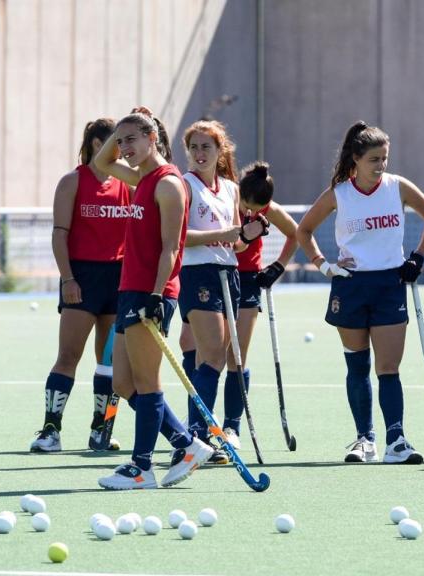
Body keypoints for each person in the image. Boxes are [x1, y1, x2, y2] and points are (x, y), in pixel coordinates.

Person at [296, 121, 424, 464]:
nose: (381, 166)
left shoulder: (398, 187)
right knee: (358, 366)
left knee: (388, 367)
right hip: (351, 285)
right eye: (374, 159)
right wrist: (322, 264)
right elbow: (304, 230)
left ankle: (397, 440)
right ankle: (364, 439)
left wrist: (417, 258)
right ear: (356, 159)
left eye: (385, 158)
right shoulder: (339, 194)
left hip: (390, 284)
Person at [92, 107, 214, 490]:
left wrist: (158, 294)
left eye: (132, 139)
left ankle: (141, 466)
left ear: (153, 139)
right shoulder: (140, 177)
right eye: (121, 139)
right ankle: (184, 443)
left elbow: (170, 249)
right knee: (124, 384)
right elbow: (101, 161)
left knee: (148, 382)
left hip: (152, 292)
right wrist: (123, 129)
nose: (124, 147)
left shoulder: (167, 184)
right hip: (129, 289)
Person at [31, 118, 130, 453]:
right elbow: (60, 234)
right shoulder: (73, 181)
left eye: (120, 144)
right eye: (110, 143)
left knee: (109, 362)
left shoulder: (127, 184)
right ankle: (50, 430)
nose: (116, 150)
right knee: (68, 355)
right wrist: (68, 278)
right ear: (92, 145)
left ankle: (102, 429)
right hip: (82, 278)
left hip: (118, 279)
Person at [174, 120, 268, 466]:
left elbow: (236, 244)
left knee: (215, 356)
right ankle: (196, 436)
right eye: (194, 147)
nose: (199, 154)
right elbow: (180, 236)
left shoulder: (230, 188)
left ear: (220, 151)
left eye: (206, 148)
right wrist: (230, 233)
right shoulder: (183, 185)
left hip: (228, 273)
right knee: (212, 352)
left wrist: (249, 232)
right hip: (197, 273)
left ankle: (204, 433)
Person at [220, 162, 298, 445]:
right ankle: (201, 424)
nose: (251, 213)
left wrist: (278, 266)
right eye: (247, 206)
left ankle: (232, 427)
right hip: (219, 275)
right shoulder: (226, 199)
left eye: (257, 209)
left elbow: (295, 233)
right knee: (211, 354)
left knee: (237, 356)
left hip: (249, 280)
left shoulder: (269, 210)